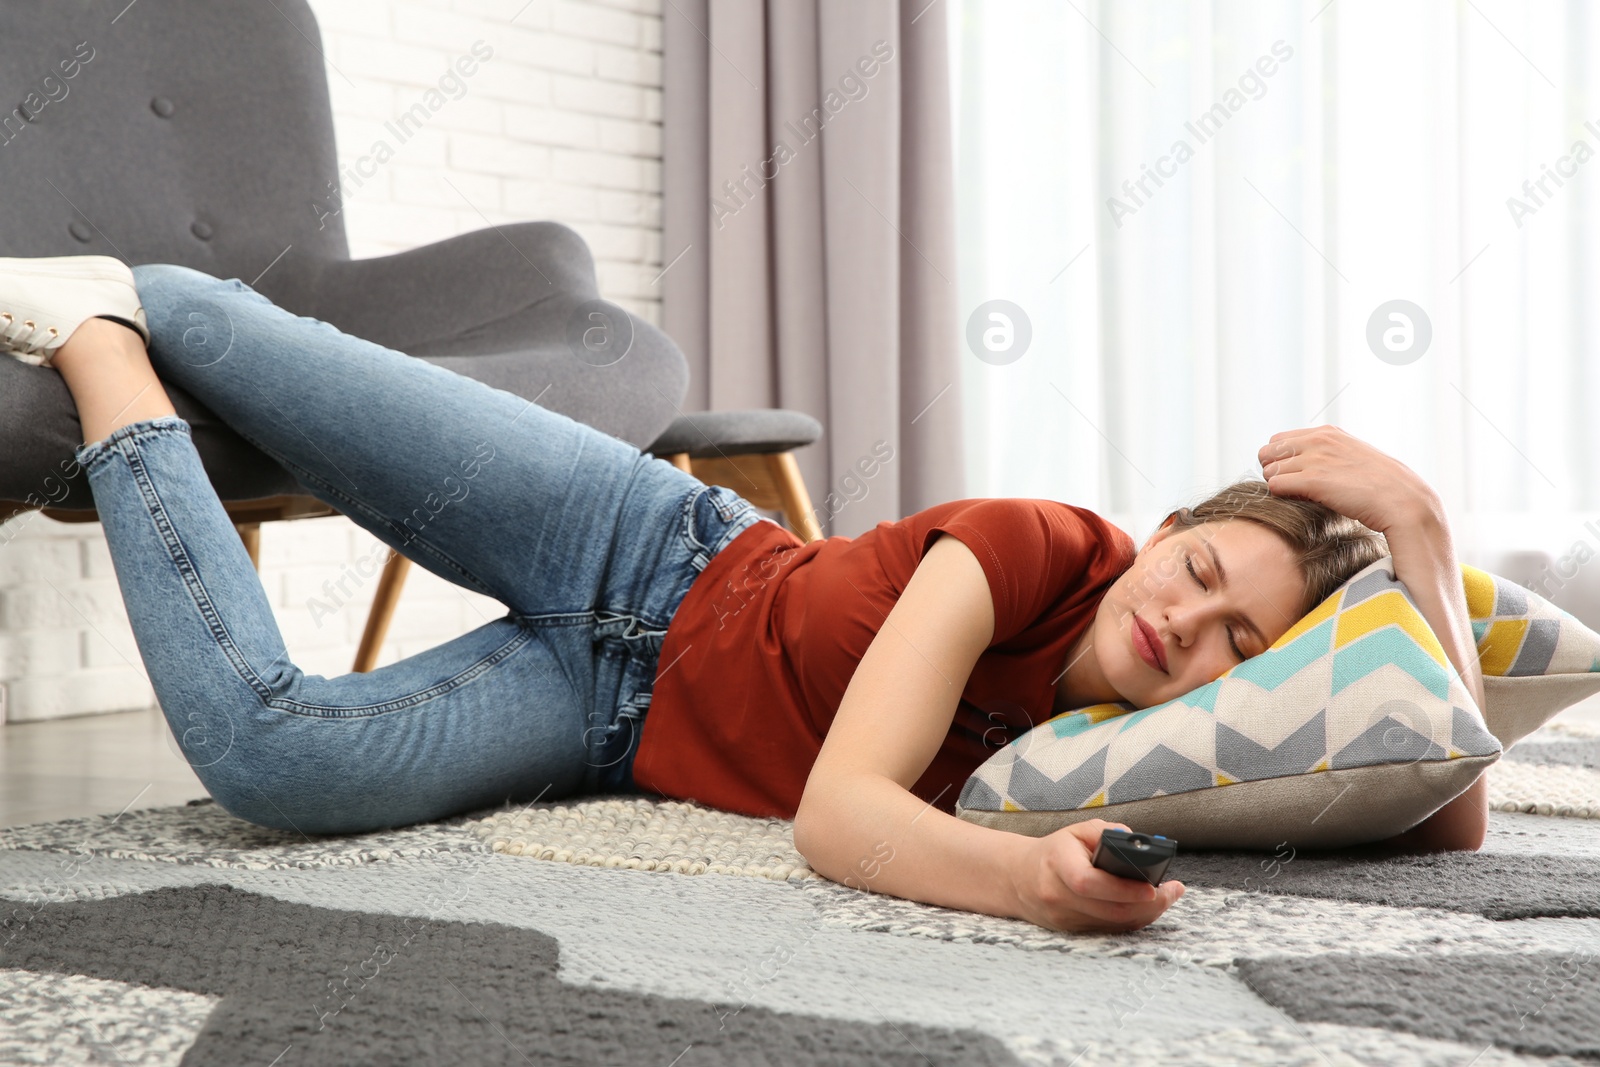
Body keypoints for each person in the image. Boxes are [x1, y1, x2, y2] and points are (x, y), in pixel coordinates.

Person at [0, 256, 1489, 936]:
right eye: (1202, 571)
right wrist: (1031, 887)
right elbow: (844, 816)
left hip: (607, 720)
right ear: (1166, 527)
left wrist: (1420, 540)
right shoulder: (1037, 545)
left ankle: (104, 353)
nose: (1187, 626)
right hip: (640, 546)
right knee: (213, 324)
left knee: (275, 758)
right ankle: (121, 309)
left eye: (1235, 644)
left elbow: (1434, 798)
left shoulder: (1158, 735)